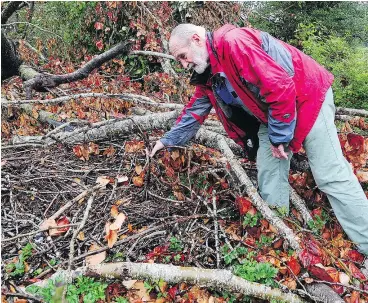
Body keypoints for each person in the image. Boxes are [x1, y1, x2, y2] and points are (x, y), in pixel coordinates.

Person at [149, 23, 368, 255]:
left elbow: (281, 87)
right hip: (273, 113)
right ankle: (283, 244)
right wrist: (167, 141)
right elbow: (195, 110)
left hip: (307, 97)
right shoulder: (209, 73)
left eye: (183, 56)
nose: (184, 64)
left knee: (330, 175)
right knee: (269, 174)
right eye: (179, 61)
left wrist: (279, 137)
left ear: (196, 39)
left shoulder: (234, 43)